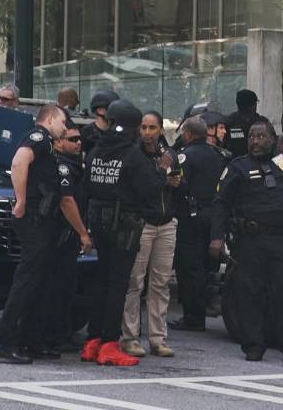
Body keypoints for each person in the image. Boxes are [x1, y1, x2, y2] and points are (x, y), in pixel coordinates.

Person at [211, 121, 283, 363]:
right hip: (250, 241)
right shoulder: (238, 167)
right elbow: (221, 204)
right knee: (250, 293)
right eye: (251, 137)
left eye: (261, 137)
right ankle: (254, 344)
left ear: (273, 139)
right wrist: (216, 237)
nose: (255, 141)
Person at [83, 99, 172, 367]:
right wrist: (163, 170)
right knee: (118, 285)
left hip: (98, 221)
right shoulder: (132, 155)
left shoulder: (97, 151)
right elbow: (149, 188)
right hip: (124, 226)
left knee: (100, 281)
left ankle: (92, 340)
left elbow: (87, 185)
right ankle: (110, 343)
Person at [0, 104, 75, 363]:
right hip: (34, 219)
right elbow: (19, 161)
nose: (64, 128)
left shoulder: (47, 142)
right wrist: (22, 200)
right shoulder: (39, 137)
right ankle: (5, 340)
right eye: (62, 122)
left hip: (43, 219)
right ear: (49, 119)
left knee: (38, 281)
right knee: (27, 281)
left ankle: (29, 339)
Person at [118, 111, 180, 358]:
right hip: (142, 223)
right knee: (135, 282)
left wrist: (174, 181)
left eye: (152, 128)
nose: (147, 132)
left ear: (161, 130)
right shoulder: (135, 155)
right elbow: (145, 188)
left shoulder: (169, 154)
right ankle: (130, 337)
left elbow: (175, 183)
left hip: (166, 223)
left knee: (161, 283)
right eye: (143, 127)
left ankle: (158, 338)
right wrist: (164, 176)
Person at [170, 115, 225, 333]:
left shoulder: (185, 156)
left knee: (189, 267)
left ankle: (193, 317)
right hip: (212, 217)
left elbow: (181, 186)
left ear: (188, 134)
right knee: (204, 266)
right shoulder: (218, 155)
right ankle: (202, 308)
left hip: (191, 217)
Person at [41, 119, 90, 356]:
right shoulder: (62, 167)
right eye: (72, 139)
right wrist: (83, 232)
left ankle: (61, 333)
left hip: (68, 236)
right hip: (60, 235)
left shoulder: (74, 165)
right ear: (59, 142)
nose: (78, 143)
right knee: (57, 288)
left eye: (80, 139)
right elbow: (66, 201)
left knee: (67, 287)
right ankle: (52, 336)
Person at [226, 89, 269, 159]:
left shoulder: (230, 121)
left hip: (234, 162)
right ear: (253, 105)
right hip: (258, 161)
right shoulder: (262, 122)